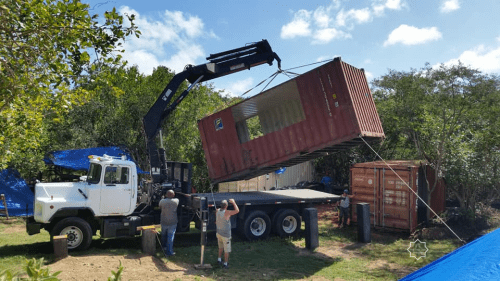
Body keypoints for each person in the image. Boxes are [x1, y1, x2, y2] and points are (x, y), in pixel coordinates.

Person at [216, 198, 239, 269]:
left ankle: (219, 259)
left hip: (219, 233)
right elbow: (237, 210)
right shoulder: (227, 213)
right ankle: (225, 263)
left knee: (220, 247)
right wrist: (234, 202)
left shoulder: (217, 211)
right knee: (227, 250)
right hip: (226, 235)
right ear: (226, 206)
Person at [159, 189, 179, 256]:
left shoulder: (162, 201)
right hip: (172, 222)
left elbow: (160, 207)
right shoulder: (176, 201)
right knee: (170, 237)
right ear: (173, 195)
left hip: (164, 221)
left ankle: (163, 247)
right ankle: (169, 252)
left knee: (163, 235)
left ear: (166, 195)